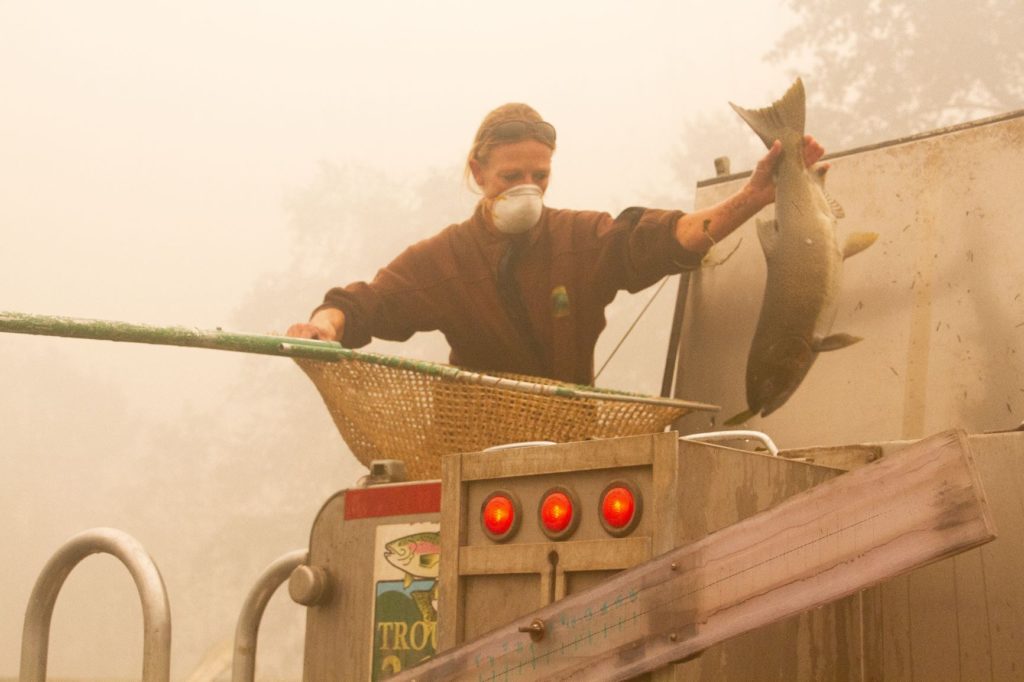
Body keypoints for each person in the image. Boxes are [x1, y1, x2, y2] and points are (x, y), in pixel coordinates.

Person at [287, 103, 824, 385]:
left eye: (539, 176)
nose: (527, 187)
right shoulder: (446, 258)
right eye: (510, 175)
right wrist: (324, 325)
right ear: (477, 171)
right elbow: (363, 304)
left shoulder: (579, 238)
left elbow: (659, 238)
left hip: (571, 451)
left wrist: (754, 198)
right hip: (477, 454)